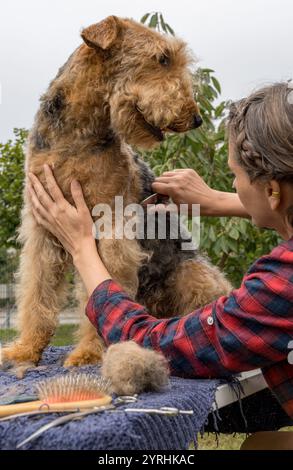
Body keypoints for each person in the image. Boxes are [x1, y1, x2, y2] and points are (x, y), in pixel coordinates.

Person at [27, 83, 293, 430]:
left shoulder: (280, 285)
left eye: (235, 176)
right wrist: (223, 200)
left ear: (272, 190)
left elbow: (156, 343)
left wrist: (81, 247)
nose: (233, 185)